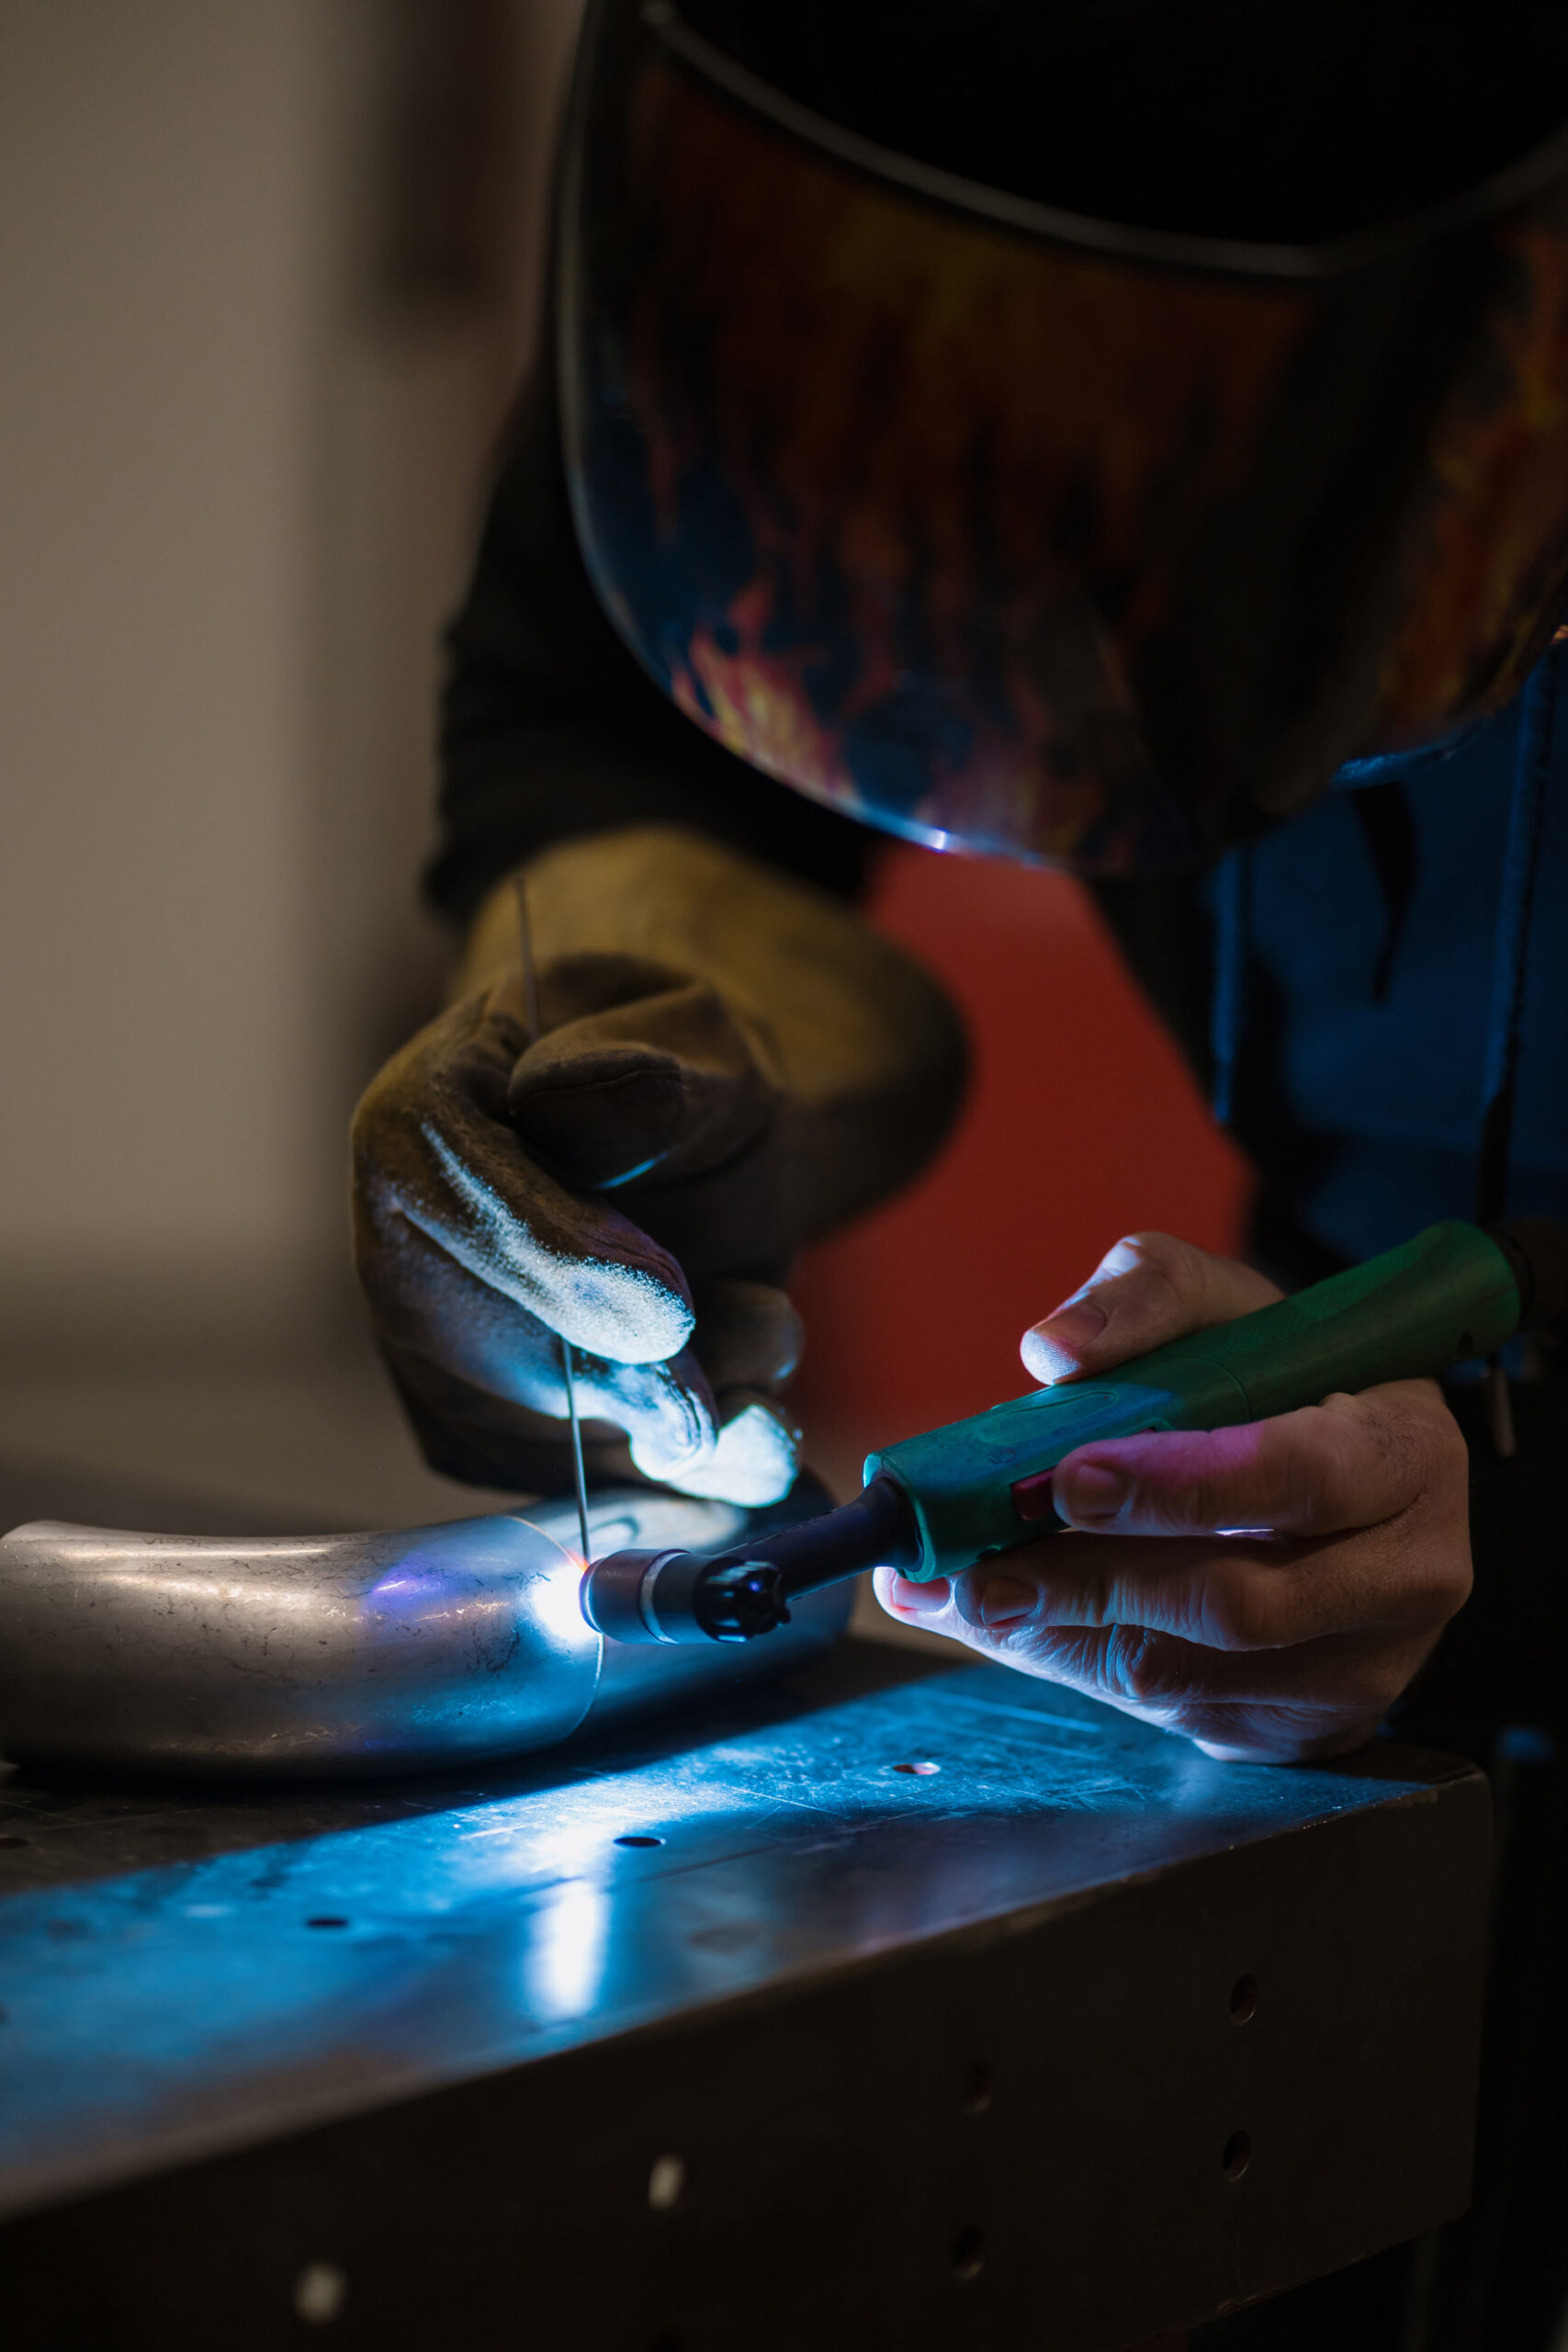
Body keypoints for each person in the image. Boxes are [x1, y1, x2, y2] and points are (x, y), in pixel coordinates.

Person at [352, 3, 1568, 2340]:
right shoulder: (793, 188)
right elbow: (603, 718)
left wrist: (1523, 1513)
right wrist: (624, 1086)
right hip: (1337, 1610)